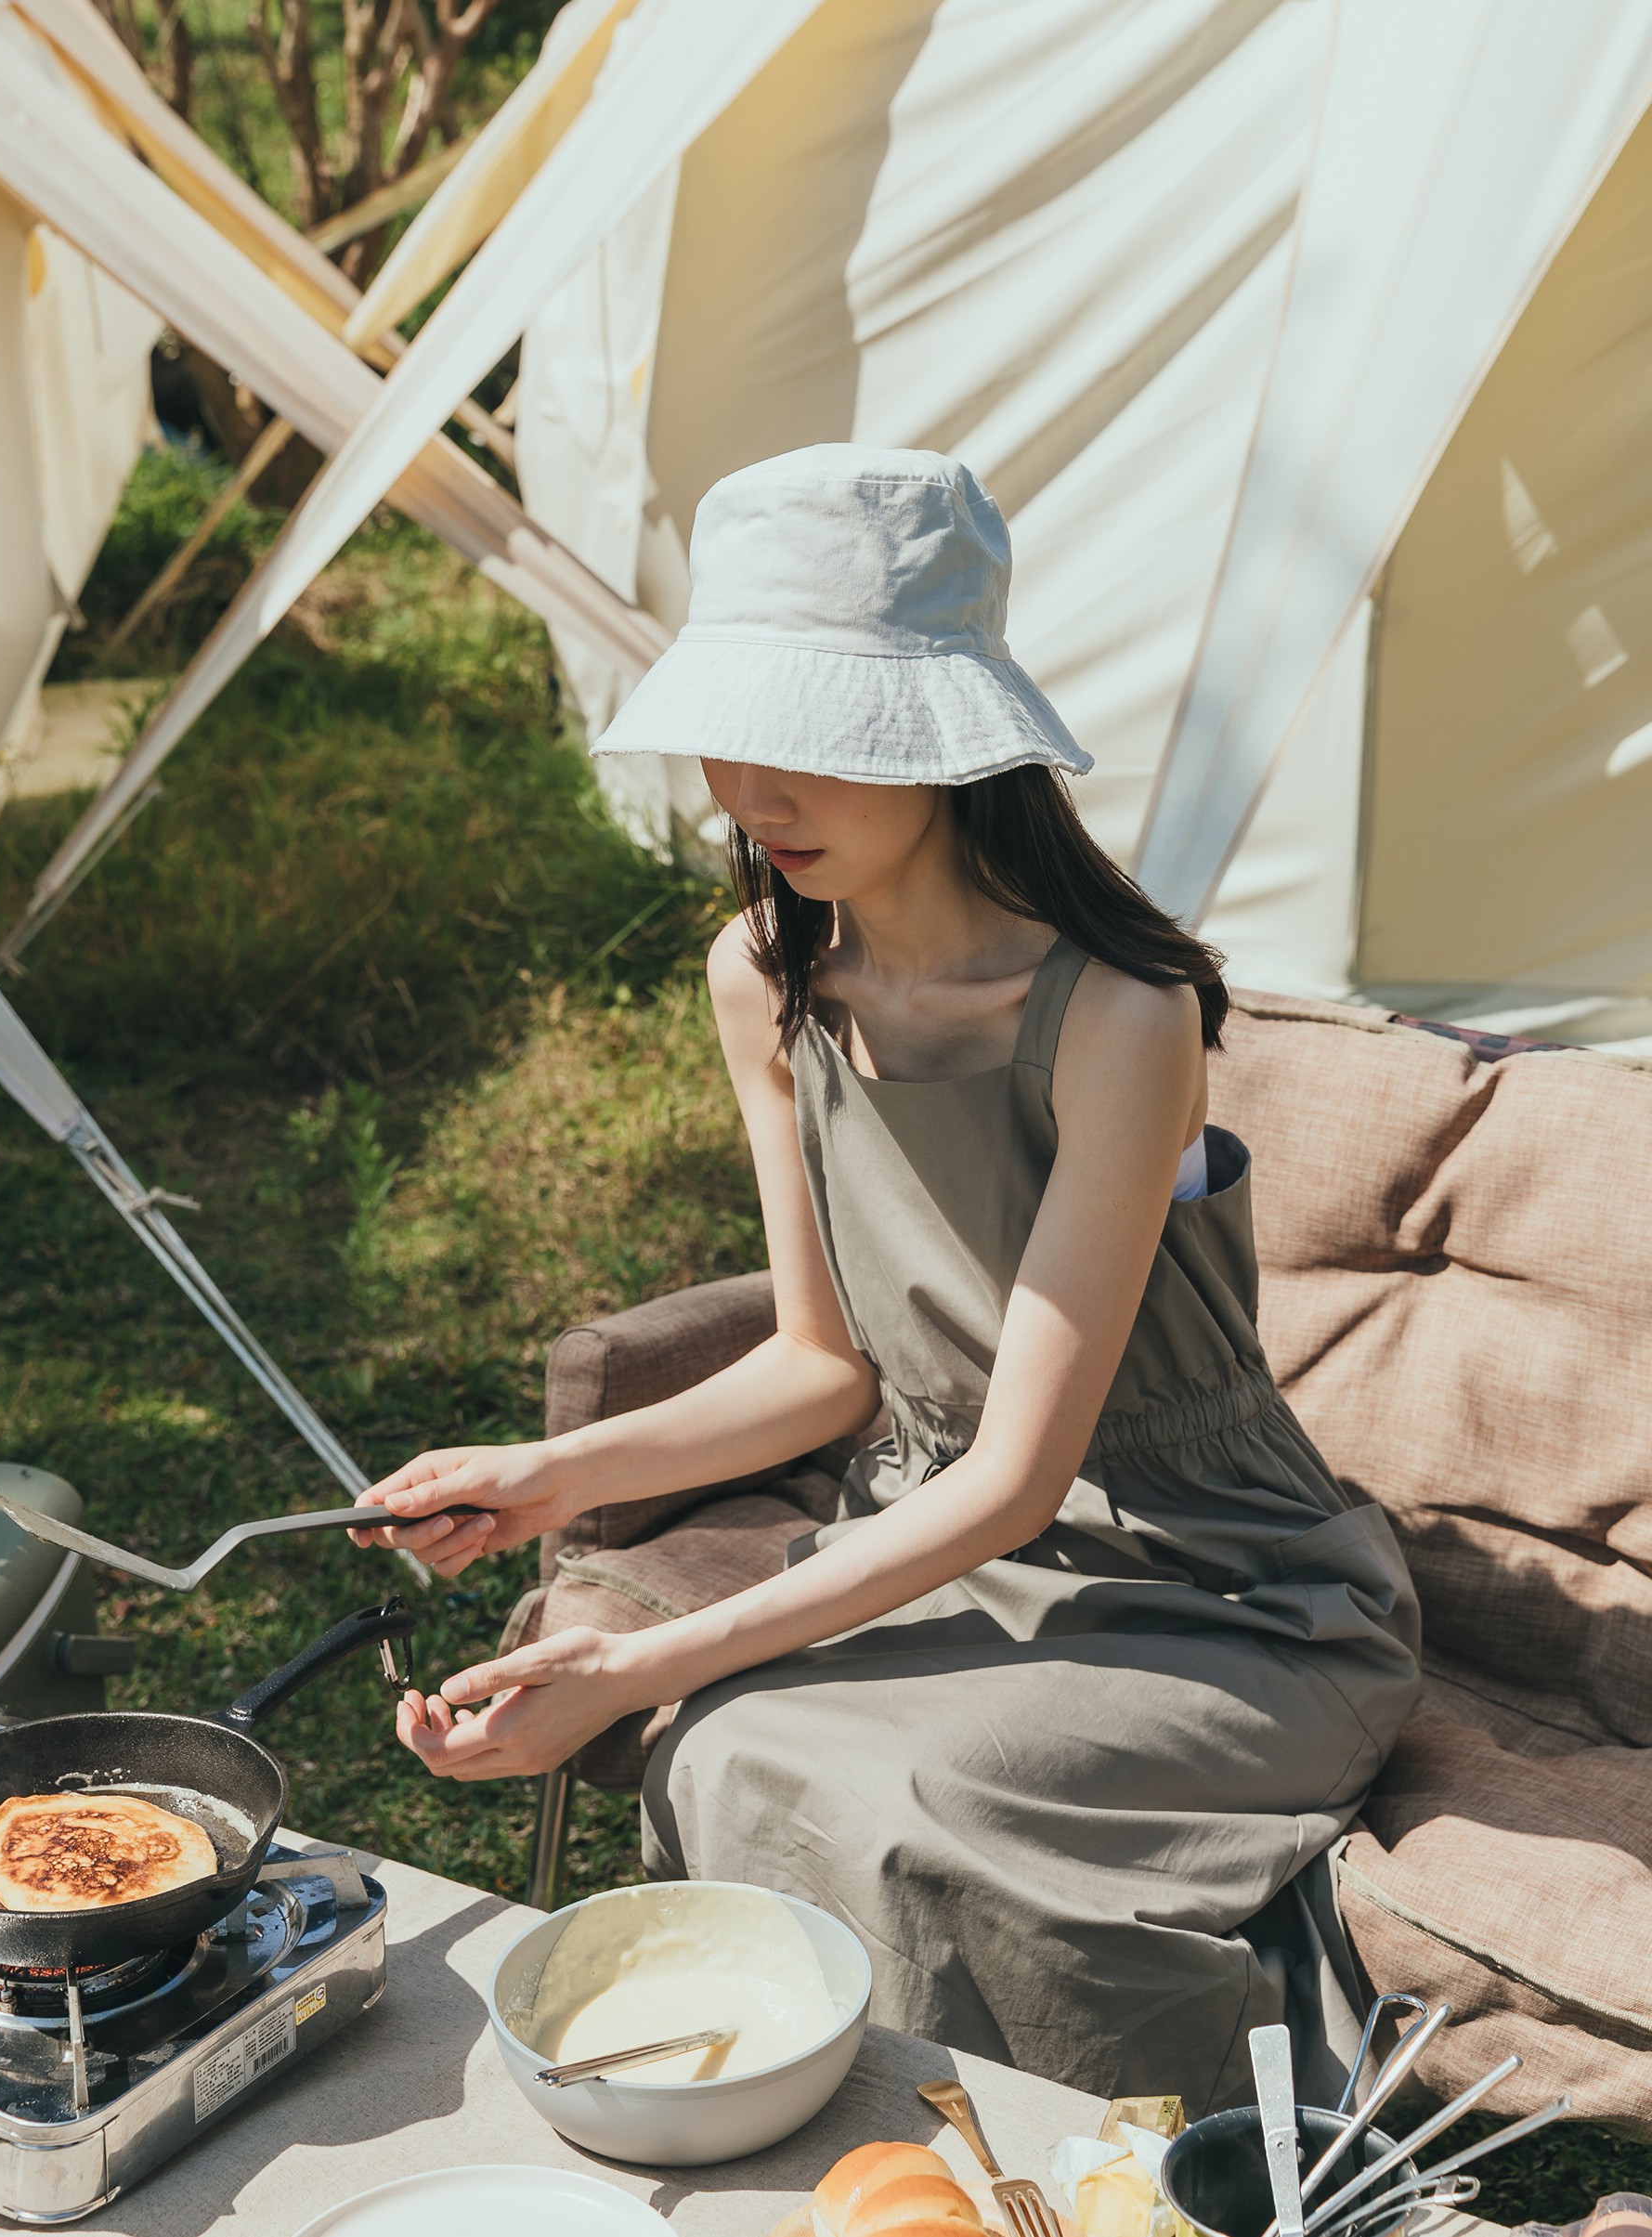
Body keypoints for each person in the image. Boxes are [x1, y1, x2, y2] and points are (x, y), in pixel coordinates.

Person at [351, 446, 1422, 2112]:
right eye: (733, 731)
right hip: (944, 1537)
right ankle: (817, 2156)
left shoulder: (1122, 1014)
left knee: (913, 1801)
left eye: (811, 741)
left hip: (1215, 1582)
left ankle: (1126, 2171)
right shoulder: (765, 974)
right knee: (737, 1748)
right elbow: (824, 1366)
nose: (749, 792)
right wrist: (544, 1475)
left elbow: (1020, 1470)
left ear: (941, 738)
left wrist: (647, 1658)